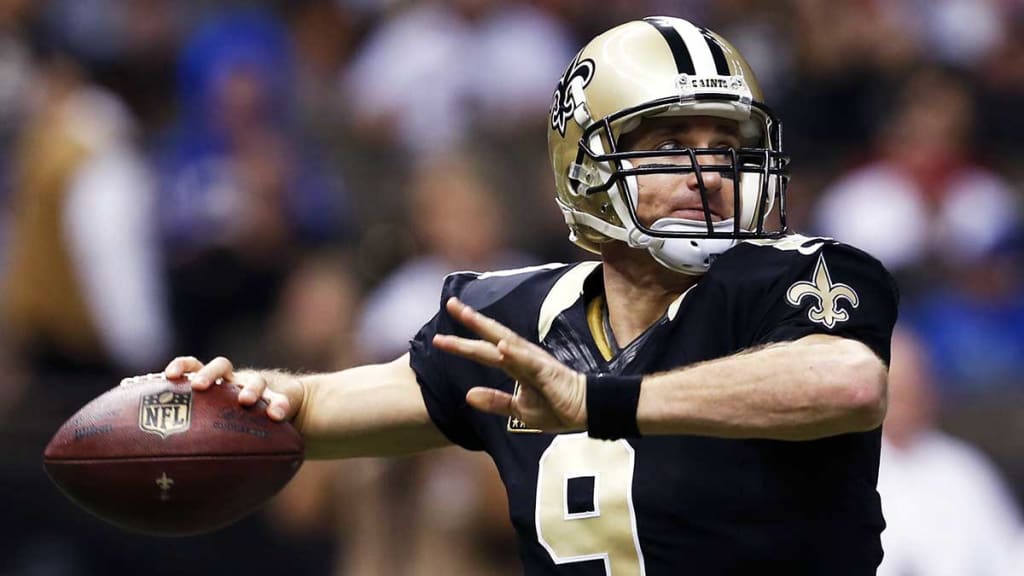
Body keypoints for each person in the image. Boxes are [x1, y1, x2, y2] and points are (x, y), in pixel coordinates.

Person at [166, 16, 898, 574]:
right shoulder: (519, 318)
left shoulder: (798, 276)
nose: (708, 170)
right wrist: (234, 395)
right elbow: (324, 406)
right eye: (671, 141)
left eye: (727, 144)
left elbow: (849, 381)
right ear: (584, 165)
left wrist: (604, 402)